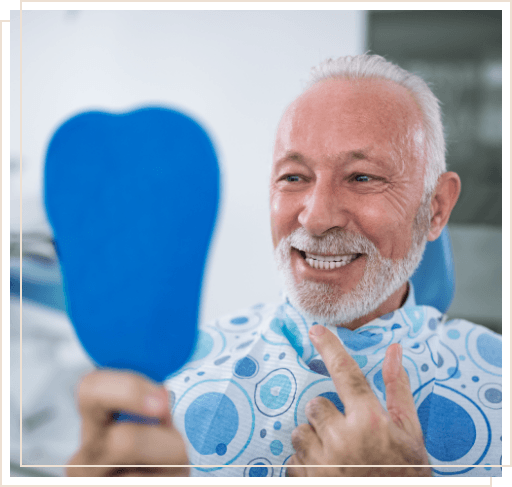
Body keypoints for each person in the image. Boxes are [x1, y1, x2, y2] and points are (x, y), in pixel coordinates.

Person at [67, 54, 502, 478]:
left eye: (362, 177)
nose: (315, 217)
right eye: (294, 177)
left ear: (437, 208)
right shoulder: (169, 388)